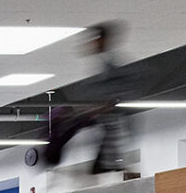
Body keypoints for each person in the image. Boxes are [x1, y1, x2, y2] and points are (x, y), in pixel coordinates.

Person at [39, 22, 142, 179]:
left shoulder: (112, 65)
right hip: (106, 123)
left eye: (93, 40)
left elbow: (116, 97)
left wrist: (98, 108)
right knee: (103, 165)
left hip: (114, 123)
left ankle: (119, 172)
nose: (90, 45)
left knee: (109, 165)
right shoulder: (103, 65)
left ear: (100, 40)